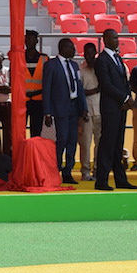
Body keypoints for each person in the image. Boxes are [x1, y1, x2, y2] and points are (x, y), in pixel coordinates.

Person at [93, 30, 137, 191]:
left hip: (121, 107)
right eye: (114, 38)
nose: (117, 40)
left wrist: (127, 98)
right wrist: (125, 99)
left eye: (118, 37)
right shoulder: (102, 60)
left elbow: (124, 82)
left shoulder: (117, 57)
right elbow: (106, 85)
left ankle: (120, 179)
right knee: (107, 143)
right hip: (110, 108)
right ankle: (101, 180)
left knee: (118, 144)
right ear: (105, 39)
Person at [42, 38, 87, 184]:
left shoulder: (74, 66)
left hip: (74, 107)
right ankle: (55, 170)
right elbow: (46, 90)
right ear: (63, 48)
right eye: (71, 48)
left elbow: (79, 88)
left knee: (72, 141)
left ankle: (68, 171)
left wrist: (84, 108)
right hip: (59, 108)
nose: (74, 50)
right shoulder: (51, 65)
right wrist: (47, 112)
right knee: (61, 140)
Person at [78, 42, 101, 181]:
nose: (89, 56)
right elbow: (79, 92)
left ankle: (98, 169)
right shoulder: (80, 70)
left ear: (96, 53)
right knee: (85, 143)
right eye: (87, 54)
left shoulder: (101, 68)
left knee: (100, 142)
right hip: (86, 111)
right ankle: (85, 171)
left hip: (101, 110)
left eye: (92, 53)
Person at [23, 30, 49, 137]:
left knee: (36, 131)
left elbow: (48, 81)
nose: (28, 41)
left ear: (36, 41)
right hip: (23, 100)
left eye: (31, 39)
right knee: (20, 131)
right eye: (27, 39)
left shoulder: (44, 58)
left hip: (39, 100)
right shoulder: (19, 57)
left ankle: (34, 152)